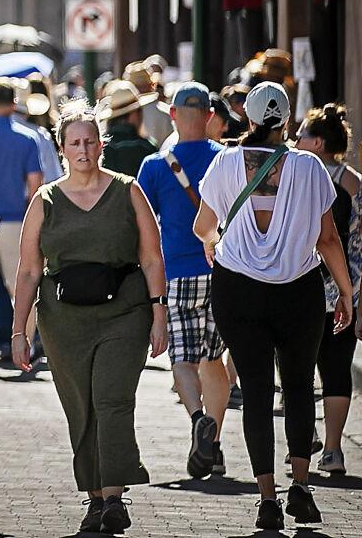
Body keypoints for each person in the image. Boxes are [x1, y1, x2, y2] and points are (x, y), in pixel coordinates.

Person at [194, 81, 354, 531]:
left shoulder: (225, 163)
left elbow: (202, 225)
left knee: (257, 393)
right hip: (297, 290)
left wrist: (216, 243)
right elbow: (327, 239)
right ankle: (300, 487)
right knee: (301, 386)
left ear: (246, 116)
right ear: (286, 119)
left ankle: (267, 497)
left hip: (238, 289)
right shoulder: (309, 167)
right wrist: (345, 293)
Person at [9, 105, 168, 535]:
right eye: (75, 143)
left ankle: (114, 496)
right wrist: (18, 330)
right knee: (81, 408)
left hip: (125, 312)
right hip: (63, 321)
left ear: (102, 144)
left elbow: (152, 258)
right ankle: (94, 497)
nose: (84, 150)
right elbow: (28, 270)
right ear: (62, 149)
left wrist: (159, 312)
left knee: (112, 401)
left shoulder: (128, 190)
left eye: (91, 141)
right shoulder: (46, 199)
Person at [133, 80, 231, 479]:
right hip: (223, 272)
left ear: (172, 115)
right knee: (215, 361)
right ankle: (217, 442)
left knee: (183, 360)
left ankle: (197, 421)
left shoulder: (155, 166)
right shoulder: (229, 160)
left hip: (177, 273)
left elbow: (143, 225)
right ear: (210, 117)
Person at [291, 103, 362, 476]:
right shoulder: (355, 182)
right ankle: (333, 449)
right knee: (337, 368)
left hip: (300, 285)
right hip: (344, 290)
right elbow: (358, 245)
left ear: (318, 143)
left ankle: (303, 438)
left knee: (296, 367)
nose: (296, 140)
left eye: (302, 134)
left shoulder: (299, 176)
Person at [0, 78, 46, 370]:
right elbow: (35, 185)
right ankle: (25, 346)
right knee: (22, 287)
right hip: (16, 220)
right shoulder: (27, 138)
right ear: (14, 103)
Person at [95, 80, 159, 177]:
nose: (142, 115)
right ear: (132, 114)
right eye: (139, 111)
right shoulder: (146, 147)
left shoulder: (100, 148)